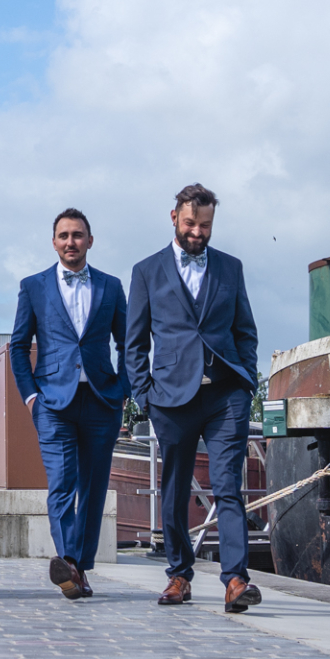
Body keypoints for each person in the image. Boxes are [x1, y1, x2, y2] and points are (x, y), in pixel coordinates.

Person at [125, 183, 262, 613]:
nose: (197, 232)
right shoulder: (146, 271)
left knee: (228, 486)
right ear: (174, 218)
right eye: (190, 223)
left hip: (226, 395)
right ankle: (179, 576)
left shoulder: (231, 267)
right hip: (170, 399)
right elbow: (134, 343)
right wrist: (144, 396)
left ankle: (236, 580)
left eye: (205, 225)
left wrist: (246, 381)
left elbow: (245, 330)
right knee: (174, 490)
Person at [10, 207, 128, 601]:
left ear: (90, 241)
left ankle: (78, 566)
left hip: (101, 400)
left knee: (93, 490)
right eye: (63, 235)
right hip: (52, 403)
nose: (70, 242)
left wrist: (123, 390)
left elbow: (128, 342)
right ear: (54, 242)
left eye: (77, 235)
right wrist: (31, 397)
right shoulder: (33, 286)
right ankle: (70, 563)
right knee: (62, 485)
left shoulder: (111, 286)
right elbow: (18, 345)